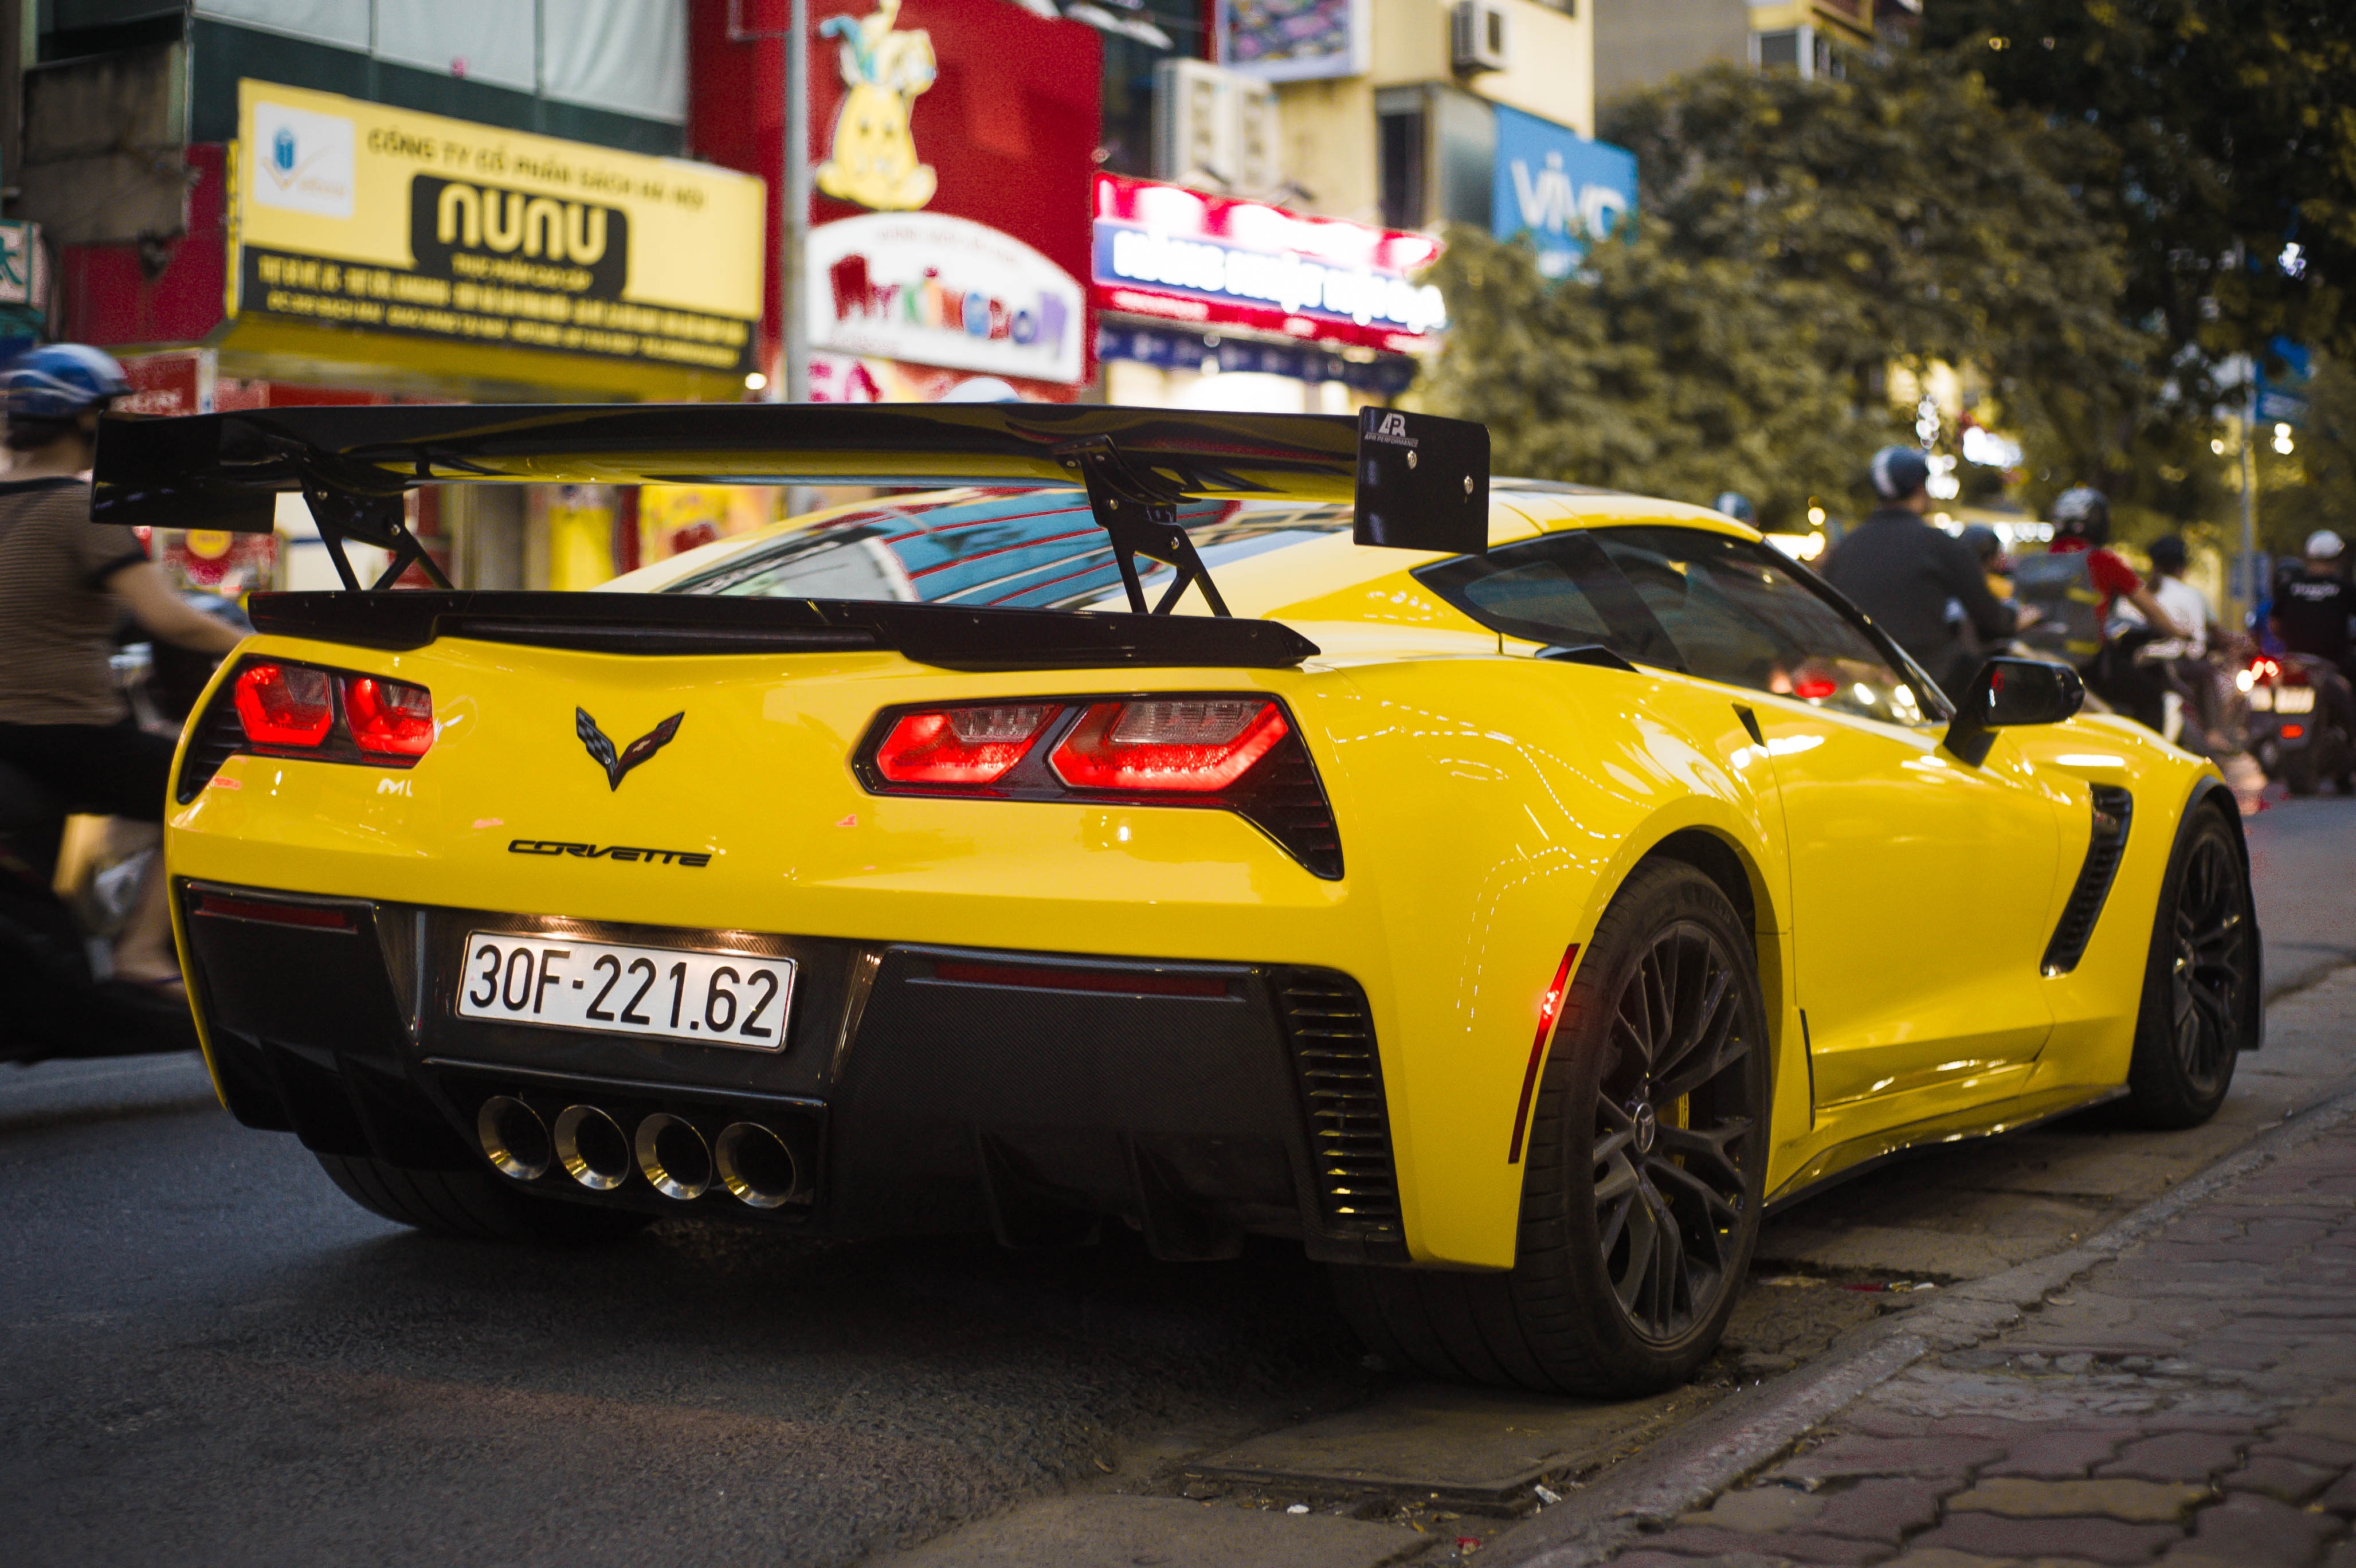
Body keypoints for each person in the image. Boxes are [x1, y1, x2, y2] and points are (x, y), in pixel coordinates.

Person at [0, 344, 244, 994]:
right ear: (86, 421)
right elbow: (171, 620)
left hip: (12, 733)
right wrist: (254, 648)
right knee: (200, 793)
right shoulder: (83, 511)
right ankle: (140, 952)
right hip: (62, 729)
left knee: (141, 766)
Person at [1820, 446, 2029, 695]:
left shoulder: (1844, 547)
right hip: (1930, 683)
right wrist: (2020, 618)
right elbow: (1990, 619)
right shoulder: (1941, 545)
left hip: (1853, 679)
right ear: (1921, 487)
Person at [2271, 530, 2356, 683]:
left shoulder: (2289, 588)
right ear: (2337, 559)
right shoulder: (2346, 589)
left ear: (2308, 558)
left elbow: (2274, 624)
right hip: (2336, 664)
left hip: (2293, 662)